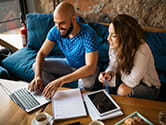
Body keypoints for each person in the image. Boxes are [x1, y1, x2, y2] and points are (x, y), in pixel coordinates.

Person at [28, 2, 99, 98]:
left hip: (85, 69)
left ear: (73, 19)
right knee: (36, 66)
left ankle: (75, 98)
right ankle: (54, 91)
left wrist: (60, 80)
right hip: (68, 64)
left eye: (62, 23)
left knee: (87, 83)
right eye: (55, 23)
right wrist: (37, 77)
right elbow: (42, 53)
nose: (58, 27)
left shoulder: (88, 34)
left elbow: (90, 67)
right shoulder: (55, 30)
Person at [98, 14, 161, 100]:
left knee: (122, 90)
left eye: (113, 36)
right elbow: (113, 64)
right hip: (127, 78)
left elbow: (132, 82)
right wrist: (109, 73)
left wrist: (117, 73)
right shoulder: (115, 45)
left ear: (125, 37)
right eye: (109, 33)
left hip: (149, 87)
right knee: (106, 81)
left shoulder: (142, 50)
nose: (108, 38)